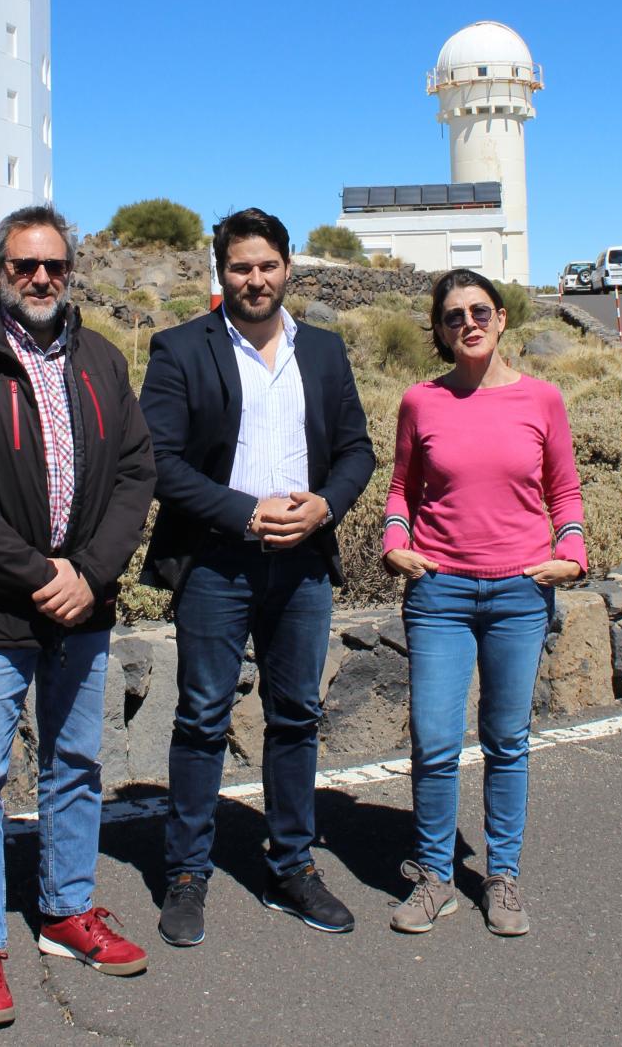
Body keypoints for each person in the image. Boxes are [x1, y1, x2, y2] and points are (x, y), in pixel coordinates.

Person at [0, 205, 156, 1028]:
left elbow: (134, 474)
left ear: (70, 269)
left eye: (54, 264)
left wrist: (88, 573)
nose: (41, 277)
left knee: (76, 761)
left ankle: (65, 909)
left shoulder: (101, 359)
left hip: (83, 607)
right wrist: (36, 575)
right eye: (24, 265)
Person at [139, 207, 375, 947]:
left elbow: (358, 451)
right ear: (222, 273)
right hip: (216, 562)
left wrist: (323, 507)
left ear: (288, 268)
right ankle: (185, 872)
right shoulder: (180, 349)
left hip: (303, 563)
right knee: (203, 717)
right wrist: (246, 513)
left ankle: (291, 865)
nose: (255, 278)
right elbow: (160, 463)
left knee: (296, 715)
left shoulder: (327, 352)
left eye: (267, 264)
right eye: (240, 266)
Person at [381, 268, 586, 939]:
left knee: (506, 741)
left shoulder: (543, 398)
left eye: (478, 311)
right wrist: (393, 540)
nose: (466, 322)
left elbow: (566, 492)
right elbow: (401, 489)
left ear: (501, 318)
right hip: (439, 591)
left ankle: (502, 876)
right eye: (451, 316)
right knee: (436, 740)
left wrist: (573, 552)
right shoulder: (420, 401)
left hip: (521, 591)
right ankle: (437, 875)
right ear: (440, 332)